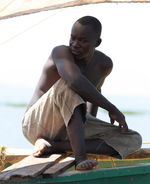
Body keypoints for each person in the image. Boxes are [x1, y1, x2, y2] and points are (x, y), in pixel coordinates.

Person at [22, 16, 142, 170]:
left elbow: (95, 91)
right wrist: (112, 109)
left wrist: (88, 124)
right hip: (36, 124)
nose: (75, 45)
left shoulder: (104, 64)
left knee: (132, 139)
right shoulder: (60, 52)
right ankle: (80, 158)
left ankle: (53, 146)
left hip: (68, 128)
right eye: (72, 38)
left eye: (83, 41)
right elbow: (75, 81)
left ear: (96, 43)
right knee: (69, 84)